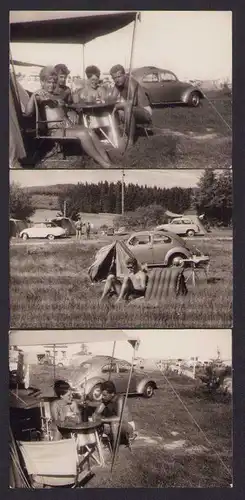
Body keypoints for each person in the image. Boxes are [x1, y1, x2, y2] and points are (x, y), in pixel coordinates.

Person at [25, 66, 113, 168]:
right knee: (83, 134)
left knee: (90, 131)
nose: (52, 85)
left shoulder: (54, 95)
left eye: (54, 82)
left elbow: (64, 109)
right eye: (49, 82)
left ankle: (108, 161)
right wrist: (33, 96)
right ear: (42, 82)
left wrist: (70, 112)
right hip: (55, 130)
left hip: (67, 126)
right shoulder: (40, 95)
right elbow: (28, 112)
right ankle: (104, 164)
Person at [109, 64, 153, 147]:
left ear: (124, 74)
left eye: (119, 76)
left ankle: (130, 141)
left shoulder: (131, 82)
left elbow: (132, 102)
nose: (117, 80)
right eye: (114, 78)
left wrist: (117, 106)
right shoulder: (118, 85)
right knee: (115, 108)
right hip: (131, 111)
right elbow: (111, 99)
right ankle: (115, 135)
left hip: (145, 112)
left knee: (126, 107)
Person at [92, 381, 137, 448]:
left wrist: (103, 419)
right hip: (116, 425)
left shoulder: (120, 399)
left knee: (114, 423)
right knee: (97, 419)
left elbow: (119, 418)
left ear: (112, 394)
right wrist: (96, 416)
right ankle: (97, 442)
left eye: (104, 395)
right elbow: (96, 414)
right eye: (102, 394)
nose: (102, 397)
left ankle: (115, 449)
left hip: (127, 425)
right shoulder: (106, 399)